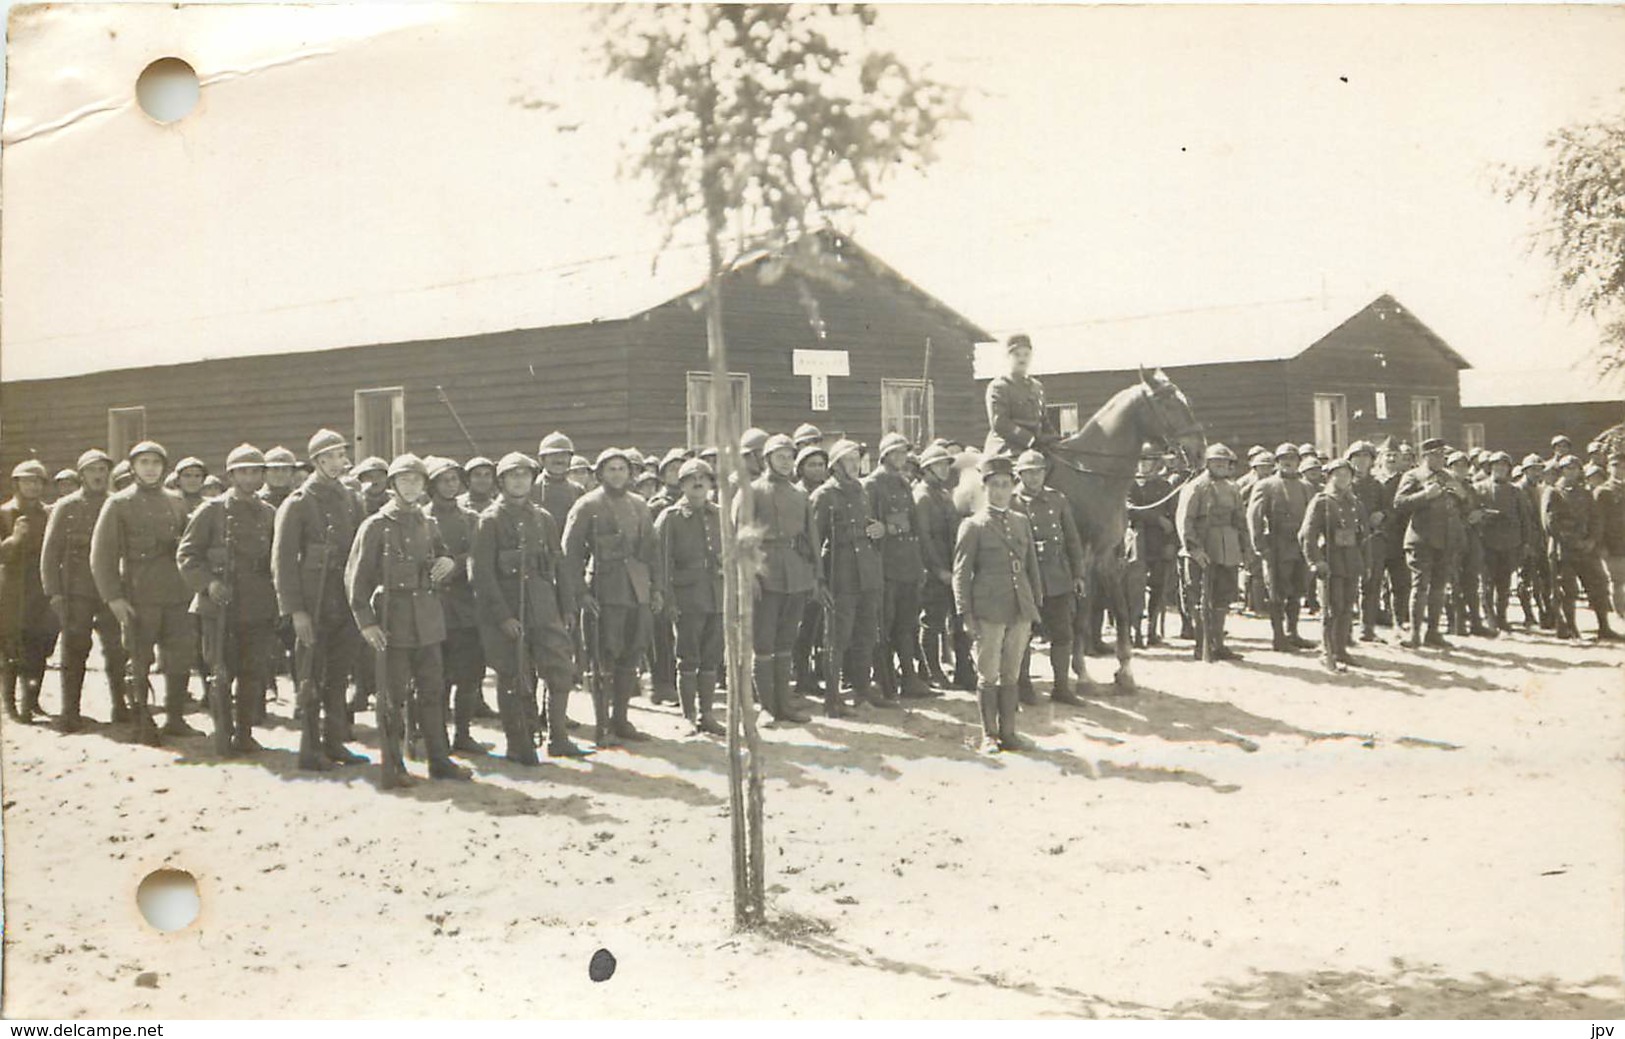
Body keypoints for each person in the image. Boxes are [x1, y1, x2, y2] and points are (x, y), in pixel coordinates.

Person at [345, 454, 473, 789]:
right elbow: (356, 580)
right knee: (392, 697)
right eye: (405, 480)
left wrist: (448, 562)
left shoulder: (427, 523)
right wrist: (366, 623)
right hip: (393, 623)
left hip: (429, 622)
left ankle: (439, 760)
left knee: (433, 691)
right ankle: (392, 765)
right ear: (392, 486)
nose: (412, 486)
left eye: (417, 480)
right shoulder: (375, 526)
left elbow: (445, 555)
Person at [470, 452, 586, 763]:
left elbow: (559, 565)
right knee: (514, 677)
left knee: (560, 670)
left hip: (545, 607)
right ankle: (519, 742)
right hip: (509, 611)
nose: (519, 481)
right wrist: (503, 616)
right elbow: (481, 575)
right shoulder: (490, 521)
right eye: (512, 475)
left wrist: (568, 607)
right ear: (502, 481)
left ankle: (558, 737)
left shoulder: (543, 518)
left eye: (524, 475)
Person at [273, 428, 368, 770]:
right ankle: (310, 748)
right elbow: (282, 561)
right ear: (317, 461)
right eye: (332, 456)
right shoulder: (298, 503)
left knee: (339, 676)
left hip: (343, 602)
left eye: (342, 455)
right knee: (311, 676)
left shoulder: (350, 499)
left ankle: (335, 742)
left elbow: (360, 550)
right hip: (313, 604)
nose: (340, 462)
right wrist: (295, 611)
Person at [89, 441, 196, 744]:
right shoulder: (119, 503)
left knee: (179, 655)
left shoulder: (176, 501)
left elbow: (189, 548)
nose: (150, 468)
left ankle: (175, 718)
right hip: (139, 594)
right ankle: (141, 720)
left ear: (164, 467)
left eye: (156, 463)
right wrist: (114, 598)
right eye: (144, 462)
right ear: (133, 467)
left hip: (177, 593)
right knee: (138, 658)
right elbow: (101, 556)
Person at [176, 444, 279, 756]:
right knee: (220, 671)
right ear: (231, 475)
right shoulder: (212, 511)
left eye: (256, 471)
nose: (250, 478)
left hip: (258, 604)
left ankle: (245, 733)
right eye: (243, 472)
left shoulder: (269, 513)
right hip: (220, 605)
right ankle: (223, 732)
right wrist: (208, 584)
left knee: (252, 671)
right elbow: (187, 555)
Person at [563, 447, 665, 743]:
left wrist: (656, 588)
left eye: (622, 468)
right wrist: (582, 594)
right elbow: (569, 555)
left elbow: (652, 551)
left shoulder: (640, 505)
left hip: (638, 591)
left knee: (631, 656)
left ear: (630, 473)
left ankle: (621, 719)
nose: (617, 474)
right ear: (600, 473)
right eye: (611, 469)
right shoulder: (587, 505)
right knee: (602, 658)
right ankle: (602, 725)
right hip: (604, 591)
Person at [954, 454, 1043, 754]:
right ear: (985, 488)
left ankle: (1010, 732)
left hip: (1020, 606)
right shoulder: (973, 526)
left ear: (1012, 488)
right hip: (989, 608)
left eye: (1005, 485)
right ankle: (988, 735)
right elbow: (961, 573)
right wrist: (965, 614)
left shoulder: (1020, 522)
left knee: (1012, 672)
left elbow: (1032, 567)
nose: (1000, 491)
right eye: (994, 485)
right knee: (988, 672)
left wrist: (1035, 604)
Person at [40, 448, 129, 731]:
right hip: (76, 591)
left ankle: (120, 706)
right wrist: (53, 591)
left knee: (117, 649)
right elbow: (50, 552)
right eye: (92, 470)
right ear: (81, 475)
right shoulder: (66, 506)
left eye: (103, 470)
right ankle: (70, 711)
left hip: (111, 590)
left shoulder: (116, 504)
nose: (99, 476)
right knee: (75, 648)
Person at [735, 434, 818, 723]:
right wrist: (750, 576)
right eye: (780, 456)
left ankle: (785, 704)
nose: (786, 462)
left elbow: (810, 538)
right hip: (764, 573)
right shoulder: (752, 491)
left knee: (786, 640)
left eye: (790, 457)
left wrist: (813, 576)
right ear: (767, 458)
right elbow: (741, 537)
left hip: (795, 574)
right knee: (764, 641)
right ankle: (767, 707)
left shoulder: (800, 494)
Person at [810, 439, 885, 715]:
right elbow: (812, 542)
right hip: (840, 574)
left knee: (866, 634)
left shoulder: (862, 491)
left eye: (857, 460)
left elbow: (871, 527)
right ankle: (833, 700)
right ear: (836, 465)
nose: (855, 465)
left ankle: (862, 692)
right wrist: (818, 581)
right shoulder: (824, 495)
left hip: (867, 573)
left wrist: (880, 529)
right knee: (836, 639)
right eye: (849, 460)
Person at [654, 458, 728, 735]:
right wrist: (668, 599)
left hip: (717, 594)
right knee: (688, 656)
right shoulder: (670, 518)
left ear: (710, 483)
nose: (698, 483)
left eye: (704, 478)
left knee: (711, 657)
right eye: (690, 479)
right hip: (687, 596)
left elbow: (733, 553)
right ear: (682, 485)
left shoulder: (720, 514)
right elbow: (661, 562)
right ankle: (689, 716)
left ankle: (707, 714)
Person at [1011, 450, 1087, 705]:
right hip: (1026, 578)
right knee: (1024, 634)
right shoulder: (1012, 502)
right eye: (1028, 473)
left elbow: (1072, 539)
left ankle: (1062, 687)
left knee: (1063, 632)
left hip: (1057, 576)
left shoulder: (1058, 500)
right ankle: (1023, 686)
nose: (1034, 477)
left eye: (1038, 472)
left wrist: (1078, 574)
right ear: (1019, 474)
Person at [424, 456, 487, 754]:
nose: (450, 485)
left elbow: (478, 556)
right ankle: (435, 737)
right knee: (435, 676)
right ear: (431, 484)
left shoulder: (471, 519)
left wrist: (456, 563)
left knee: (469, 675)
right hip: (431, 607)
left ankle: (463, 733)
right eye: (443, 480)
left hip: (465, 607)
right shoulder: (421, 518)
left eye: (454, 480)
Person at [865, 431, 929, 699]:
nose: (902, 458)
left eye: (904, 453)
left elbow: (913, 524)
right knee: (884, 624)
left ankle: (909, 678)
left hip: (907, 565)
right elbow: (870, 527)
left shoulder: (903, 483)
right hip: (886, 566)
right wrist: (891, 527)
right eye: (898, 453)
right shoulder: (872, 484)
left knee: (906, 624)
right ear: (885, 455)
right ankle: (883, 679)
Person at [2, 459, 60, 725]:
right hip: (12, 590)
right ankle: (12, 705)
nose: (33, 486)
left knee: (41, 644)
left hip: (41, 588)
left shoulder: (50, 514)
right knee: (13, 646)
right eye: (27, 481)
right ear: (17, 484)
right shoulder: (4, 514)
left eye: (37, 481)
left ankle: (32, 700)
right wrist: (13, 540)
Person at [1176, 444, 1246, 662]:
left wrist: (1245, 549)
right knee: (1199, 599)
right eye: (1216, 462)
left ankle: (1218, 643)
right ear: (1207, 464)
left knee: (1223, 598)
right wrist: (1194, 549)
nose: (1221, 466)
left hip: (1228, 550)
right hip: (1203, 549)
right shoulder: (1196, 487)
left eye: (1225, 463)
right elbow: (1184, 520)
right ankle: (1202, 644)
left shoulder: (1233, 488)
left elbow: (1241, 520)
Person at [1299, 458, 1369, 672]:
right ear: (1329, 477)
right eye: (1337, 475)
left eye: (1347, 475)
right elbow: (1307, 535)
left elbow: (1364, 537)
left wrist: (1365, 563)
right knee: (1331, 608)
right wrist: (1316, 561)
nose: (1343, 479)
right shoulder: (1322, 502)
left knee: (1347, 607)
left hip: (1351, 562)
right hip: (1331, 562)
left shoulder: (1355, 504)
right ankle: (1326, 652)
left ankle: (1340, 649)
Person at [1392, 438, 1462, 649]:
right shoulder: (1412, 476)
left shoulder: (1448, 477)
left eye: (1443, 455)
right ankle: (1414, 634)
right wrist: (1425, 495)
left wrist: (1461, 495)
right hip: (1421, 540)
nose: (1442, 459)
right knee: (1420, 586)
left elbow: (1463, 504)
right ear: (1426, 456)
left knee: (1439, 587)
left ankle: (1433, 632)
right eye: (1437, 455)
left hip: (1445, 540)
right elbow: (1399, 503)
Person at [1543, 454, 1619, 640]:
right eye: (1568, 469)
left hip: (1587, 549)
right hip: (1564, 550)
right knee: (1567, 591)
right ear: (1561, 471)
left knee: (1598, 585)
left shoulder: (1585, 493)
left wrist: (1592, 540)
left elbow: (1596, 519)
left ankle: (1604, 627)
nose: (1571, 472)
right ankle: (1571, 628)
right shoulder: (1553, 492)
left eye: (1575, 468)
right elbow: (1551, 523)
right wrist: (1573, 541)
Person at [1248, 443, 1315, 652]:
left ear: (1299, 462)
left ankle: (1292, 633)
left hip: (1301, 547)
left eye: (1293, 459)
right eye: (1284, 459)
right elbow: (1254, 516)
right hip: (1277, 547)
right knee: (1277, 592)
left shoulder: (1307, 487)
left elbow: (1314, 517)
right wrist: (1261, 546)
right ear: (1276, 463)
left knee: (1297, 591)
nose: (1288, 462)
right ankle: (1279, 638)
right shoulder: (1266, 485)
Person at [912, 443, 960, 688]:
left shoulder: (943, 494)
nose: (944, 469)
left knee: (948, 618)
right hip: (931, 569)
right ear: (927, 468)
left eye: (946, 465)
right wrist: (938, 569)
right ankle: (931, 671)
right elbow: (924, 537)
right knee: (932, 620)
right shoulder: (922, 496)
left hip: (950, 564)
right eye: (939, 465)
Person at [1127, 442, 1178, 647]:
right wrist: (1157, 519)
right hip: (1136, 542)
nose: (1143, 465)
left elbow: (1174, 517)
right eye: (1140, 460)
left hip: (1159, 543)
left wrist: (1171, 543)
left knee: (1159, 586)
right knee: (1135, 588)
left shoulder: (1165, 486)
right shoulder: (1130, 484)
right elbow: (1130, 510)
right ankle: (1135, 631)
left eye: (1148, 460)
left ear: (1156, 463)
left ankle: (1152, 630)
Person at [1476, 451, 1532, 633]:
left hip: (1509, 543)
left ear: (1508, 469)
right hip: (1486, 543)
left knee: (1504, 584)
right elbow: (1472, 515)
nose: (1500, 469)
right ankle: (1489, 618)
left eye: (1504, 466)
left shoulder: (1516, 491)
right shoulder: (1479, 488)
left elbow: (1525, 518)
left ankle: (1502, 617)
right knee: (1486, 583)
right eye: (1496, 465)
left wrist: (1525, 542)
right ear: (1490, 467)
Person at [792, 443, 831, 696]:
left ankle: (818, 672)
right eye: (811, 464)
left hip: (824, 564)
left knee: (819, 625)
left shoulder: (827, 493)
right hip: (801, 566)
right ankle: (801, 675)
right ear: (801, 468)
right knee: (803, 626)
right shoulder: (798, 495)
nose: (817, 469)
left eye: (821, 464)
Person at [1343, 441, 1387, 642]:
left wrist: (1382, 515)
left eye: (1366, 457)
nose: (1361, 461)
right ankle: (1345, 631)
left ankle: (1367, 628)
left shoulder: (1378, 486)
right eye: (1357, 457)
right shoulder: (1344, 484)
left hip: (1372, 540)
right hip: (1349, 541)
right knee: (1348, 584)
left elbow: (1390, 509)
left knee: (1372, 584)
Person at [983, 333, 1050, 458]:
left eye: (1026, 354)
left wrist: (1056, 439)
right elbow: (1000, 424)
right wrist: (1029, 439)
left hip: (1035, 448)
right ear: (1007, 357)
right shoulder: (999, 386)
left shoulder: (1037, 387)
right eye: (1017, 354)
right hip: (1007, 448)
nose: (1022, 359)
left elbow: (1044, 421)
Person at [1596, 449, 1625, 623]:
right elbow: (1598, 521)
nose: (1620, 470)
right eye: (1615, 466)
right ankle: (1621, 614)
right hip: (1612, 544)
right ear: (1608, 468)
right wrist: (1601, 545)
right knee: (1618, 581)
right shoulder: (1603, 491)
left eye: (1623, 466)